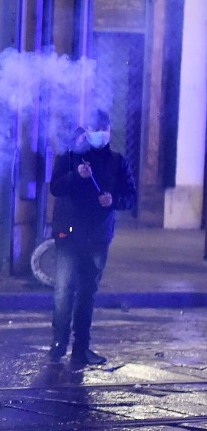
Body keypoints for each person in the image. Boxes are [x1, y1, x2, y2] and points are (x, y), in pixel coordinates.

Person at [49, 110, 136, 365]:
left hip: (98, 234)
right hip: (69, 231)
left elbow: (129, 196)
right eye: (94, 128)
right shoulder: (70, 157)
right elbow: (56, 186)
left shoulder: (117, 162)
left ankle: (81, 347)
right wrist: (78, 175)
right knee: (64, 287)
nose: (98, 134)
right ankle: (59, 342)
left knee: (88, 290)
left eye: (103, 128)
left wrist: (113, 201)